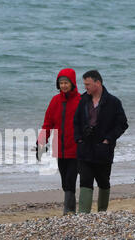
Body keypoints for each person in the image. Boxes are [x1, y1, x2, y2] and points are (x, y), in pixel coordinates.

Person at [73, 70, 128, 213]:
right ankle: (83, 215)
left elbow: (122, 124)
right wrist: (78, 138)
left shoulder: (113, 102)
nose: (85, 87)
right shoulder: (83, 100)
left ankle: (102, 213)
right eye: (84, 84)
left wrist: (108, 140)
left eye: (88, 84)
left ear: (98, 83)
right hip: (84, 148)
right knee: (85, 181)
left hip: (103, 150)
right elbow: (76, 122)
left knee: (103, 182)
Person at [37, 68, 81, 215]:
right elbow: (47, 123)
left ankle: (68, 211)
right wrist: (41, 143)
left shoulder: (81, 101)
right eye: (61, 83)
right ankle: (70, 209)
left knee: (70, 180)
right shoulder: (55, 101)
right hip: (59, 148)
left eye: (66, 82)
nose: (63, 85)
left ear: (72, 83)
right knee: (65, 181)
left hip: (76, 148)